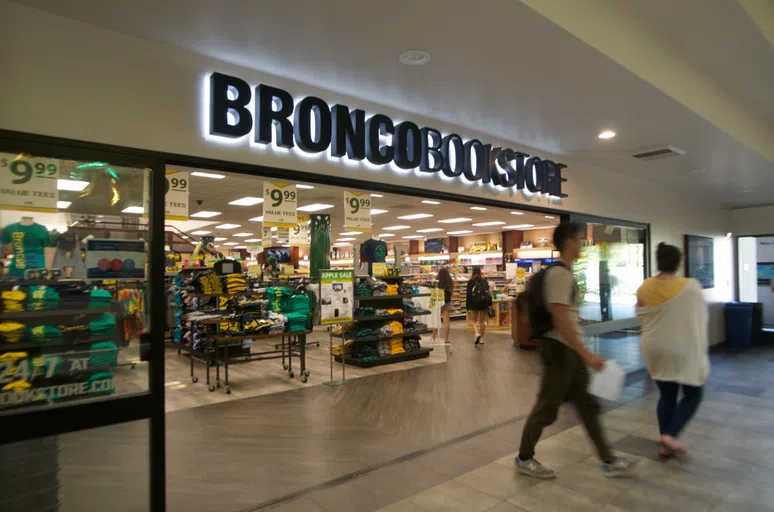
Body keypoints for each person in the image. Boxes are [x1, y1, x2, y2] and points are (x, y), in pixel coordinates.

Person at [516, 223, 634, 479]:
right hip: (559, 350)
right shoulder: (560, 276)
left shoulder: (565, 273)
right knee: (547, 407)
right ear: (569, 242)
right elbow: (560, 319)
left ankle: (608, 459)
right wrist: (587, 354)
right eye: (580, 239)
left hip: (568, 350)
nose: (583, 244)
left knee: (587, 405)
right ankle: (524, 457)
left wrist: (581, 353)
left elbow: (565, 318)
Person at [637, 243, 708, 459]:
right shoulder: (691, 286)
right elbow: (700, 317)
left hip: (655, 348)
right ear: (678, 263)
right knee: (693, 395)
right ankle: (670, 435)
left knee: (667, 396)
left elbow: (641, 314)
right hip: (683, 349)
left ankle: (664, 445)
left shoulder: (645, 286)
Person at [466, 266, 491, 345]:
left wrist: (467, 306)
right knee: (482, 321)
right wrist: (489, 304)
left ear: (473, 272)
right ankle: (481, 338)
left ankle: (477, 333)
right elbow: (488, 293)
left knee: (473, 320)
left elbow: (468, 295)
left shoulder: (471, 281)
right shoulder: (484, 281)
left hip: (474, 303)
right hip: (484, 302)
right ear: (480, 272)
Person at [437, 266, 454, 347]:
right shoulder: (451, 282)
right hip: (447, 302)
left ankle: (433, 337)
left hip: (438, 303)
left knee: (436, 320)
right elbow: (452, 294)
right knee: (446, 321)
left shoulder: (437, 282)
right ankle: (446, 339)